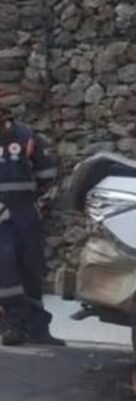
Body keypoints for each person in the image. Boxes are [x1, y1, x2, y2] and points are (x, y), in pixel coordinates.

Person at [0, 88, 63, 347]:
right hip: (1, 220)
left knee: (33, 268)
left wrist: (41, 205)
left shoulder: (27, 137)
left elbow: (49, 177)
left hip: (27, 214)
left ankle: (38, 327)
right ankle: (14, 325)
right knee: (6, 272)